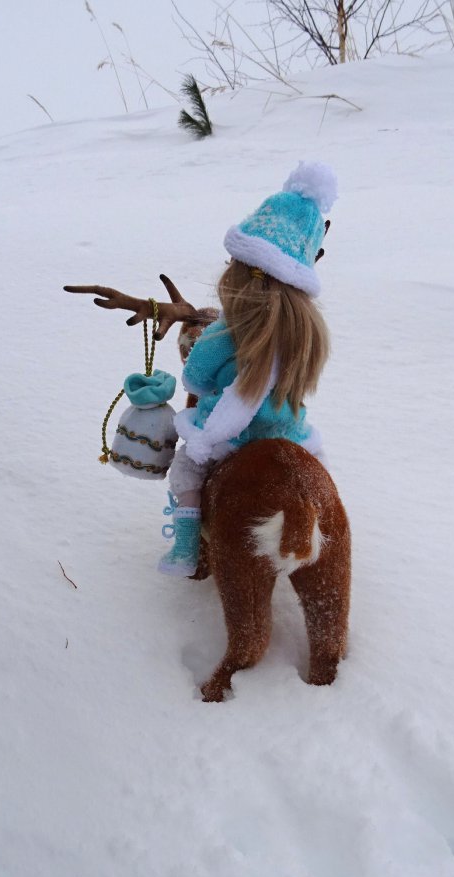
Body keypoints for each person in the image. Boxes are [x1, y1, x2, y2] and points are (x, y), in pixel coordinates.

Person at [159, 160, 337, 576]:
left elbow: (195, 379)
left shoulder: (223, 335)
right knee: (320, 472)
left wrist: (205, 434)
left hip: (231, 440)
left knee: (184, 468)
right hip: (290, 434)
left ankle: (186, 548)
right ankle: (321, 531)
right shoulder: (307, 335)